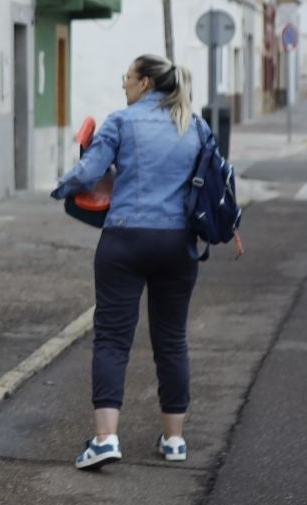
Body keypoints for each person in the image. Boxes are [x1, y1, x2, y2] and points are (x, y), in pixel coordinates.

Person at [50, 56, 240, 471]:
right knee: (171, 340)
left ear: (146, 82)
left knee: (113, 339)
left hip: (126, 240)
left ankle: (105, 440)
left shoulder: (121, 122)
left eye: (128, 78)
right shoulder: (194, 124)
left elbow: (88, 174)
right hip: (177, 244)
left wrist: (60, 187)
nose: (123, 85)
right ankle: (174, 440)